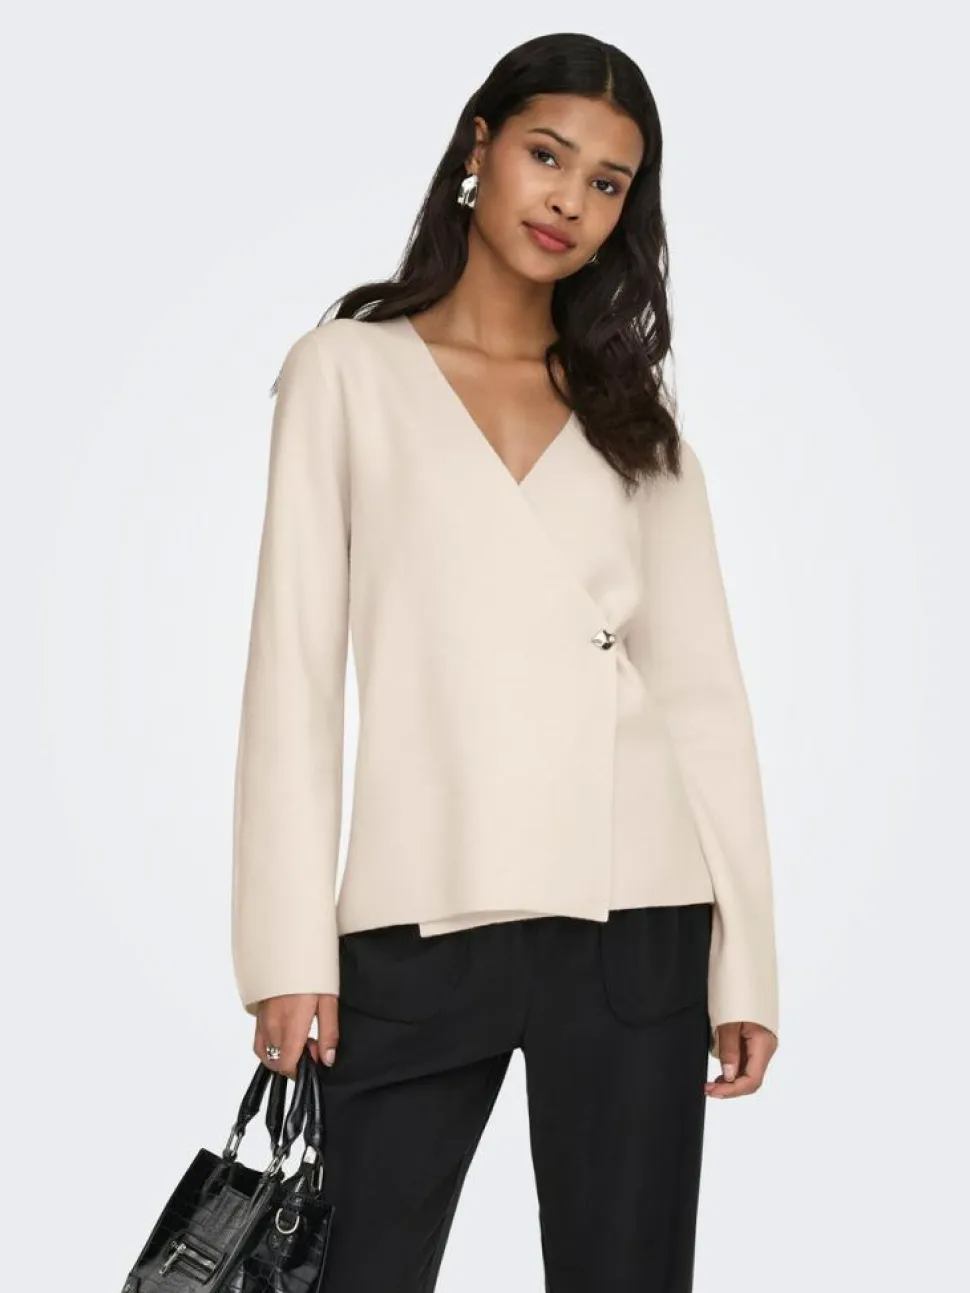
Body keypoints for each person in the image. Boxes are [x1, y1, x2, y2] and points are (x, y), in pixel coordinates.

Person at [229, 31, 780, 1292]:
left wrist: (744, 958)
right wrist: (286, 952)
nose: (568, 200)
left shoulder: (631, 412)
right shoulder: (346, 370)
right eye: (547, 155)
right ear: (479, 146)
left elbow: (703, 696)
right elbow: (292, 675)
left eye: (606, 182)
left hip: (632, 917)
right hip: (419, 915)